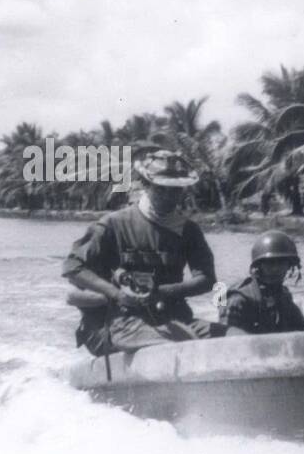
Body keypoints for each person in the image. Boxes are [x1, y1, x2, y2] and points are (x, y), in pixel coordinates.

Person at [62, 150, 225, 354]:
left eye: (175, 190)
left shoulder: (188, 230)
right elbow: (73, 267)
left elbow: (207, 279)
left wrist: (162, 292)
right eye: (161, 189)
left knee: (237, 339)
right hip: (118, 322)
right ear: (146, 185)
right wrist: (117, 294)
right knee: (173, 350)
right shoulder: (113, 224)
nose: (168, 196)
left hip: (173, 319)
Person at [219, 230, 304, 335]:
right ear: (259, 266)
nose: (276, 269)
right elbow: (226, 344)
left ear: (289, 265)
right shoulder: (238, 301)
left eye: (281, 263)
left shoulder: (283, 296)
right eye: (270, 263)